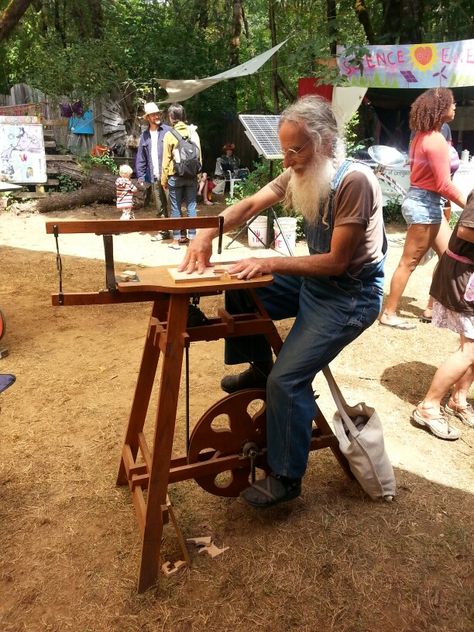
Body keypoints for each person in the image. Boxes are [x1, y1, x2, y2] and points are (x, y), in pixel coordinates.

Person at [179, 95, 386, 508]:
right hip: (321, 285)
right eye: (285, 150)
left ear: (325, 141)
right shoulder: (302, 171)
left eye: (296, 149)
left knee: (287, 380)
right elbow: (253, 203)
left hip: (350, 296)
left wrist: (270, 260)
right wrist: (207, 231)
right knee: (241, 281)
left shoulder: (354, 181)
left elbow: (335, 262)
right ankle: (258, 368)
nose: (288, 160)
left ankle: (287, 476)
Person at [380, 88, 466, 330]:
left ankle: (433, 307)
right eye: (452, 103)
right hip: (425, 205)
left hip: (425, 202)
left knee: (449, 256)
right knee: (409, 262)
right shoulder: (436, 140)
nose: (455, 107)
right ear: (440, 109)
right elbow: (443, 184)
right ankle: (389, 313)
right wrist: (469, 205)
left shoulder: (422, 135)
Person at [412, 190, 474, 440]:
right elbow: (466, 231)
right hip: (463, 276)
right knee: (470, 350)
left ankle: (458, 399)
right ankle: (428, 406)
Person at [161, 103, 202, 250]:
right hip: (191, 177)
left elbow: (166, 160)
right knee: (192, 206)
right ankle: (192, 241)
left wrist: (164, 180)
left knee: (175, 208)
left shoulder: (169, 135)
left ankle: (176, 241)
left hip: (175, 176)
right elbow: (199, 157)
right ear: (183, 116)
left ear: (171, 117)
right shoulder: (193, 132)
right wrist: (197, 176)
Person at [135, 102, 172, 240]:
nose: (157, 116)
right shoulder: (144, 136)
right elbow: (141, 157)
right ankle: (164, 232)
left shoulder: (168, 130)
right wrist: (140, 176)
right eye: (153, 114)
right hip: (155, 176)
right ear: (148, 117)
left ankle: (180, 233)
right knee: (160, 206)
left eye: (158, 113)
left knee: (174, 204)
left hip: (169, 175)